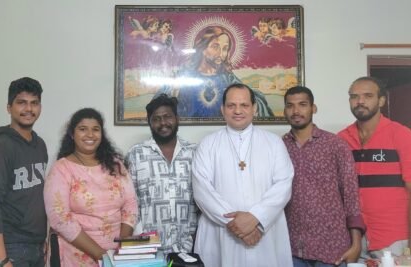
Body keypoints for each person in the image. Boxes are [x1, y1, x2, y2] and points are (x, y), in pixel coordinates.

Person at [192, 83, 294, 267]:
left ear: (254, 108)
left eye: (244, 105)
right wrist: (238, 225)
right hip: (221, 232)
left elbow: (283, 186)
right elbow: (202, 191)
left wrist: (256, 218)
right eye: (231, 105)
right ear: (222, 109)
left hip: (264, 231)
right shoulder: (207, 144)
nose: (237, 111)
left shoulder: (274, 143)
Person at [338, 77, 411, 267]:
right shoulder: (341, 140)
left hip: (394, 241)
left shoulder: (402, 135)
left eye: (368, 96)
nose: (360, 101)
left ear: (381, 101)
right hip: (354, 241)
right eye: (354, 96)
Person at [282, 86, 365, 267]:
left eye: (302, 105)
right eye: (290, 106)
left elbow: (351, 195)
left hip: (332, 249)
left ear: (314, 108)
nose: (296, 111)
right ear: (284, 111)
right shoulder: (278, 148)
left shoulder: (335, 145)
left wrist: (356, 243)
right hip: (291, 248)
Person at [44, 108, 138, 266]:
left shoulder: (115, 165)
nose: (90, 135)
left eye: (96, 129)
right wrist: (101, 255)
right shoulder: (61, 169)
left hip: (116, 255)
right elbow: (59, 218)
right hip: (77, 255)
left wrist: (122, 246)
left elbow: (131, 203)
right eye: (82, 129)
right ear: (72, 135)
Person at [0, 77, 47, 267]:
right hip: (11, 247)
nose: (29, 109)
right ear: (9, 107)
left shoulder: (39, 145)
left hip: (36, 245)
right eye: (21, 102)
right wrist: (1, 260)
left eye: (34, 103)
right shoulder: (0, 147)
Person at [126, 94, 198, 255]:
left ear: (177, 118)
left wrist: (194, 235)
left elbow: (203, 197)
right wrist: (139, 236)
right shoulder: (136, 154)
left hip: (188, 244)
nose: (163, 123)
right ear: (149, 122)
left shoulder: (194, 153)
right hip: (147, 245)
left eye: (167, 117)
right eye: (156, 119)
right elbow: (128, 200)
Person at [157, 26, 273, 118]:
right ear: (202, 48)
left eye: (225, 49)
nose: (221, 54)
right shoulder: (182, 76)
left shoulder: (228, 79)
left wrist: (254, 104)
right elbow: (157, 105)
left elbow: (254, 99)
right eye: (215, 47)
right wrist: (172, 94)